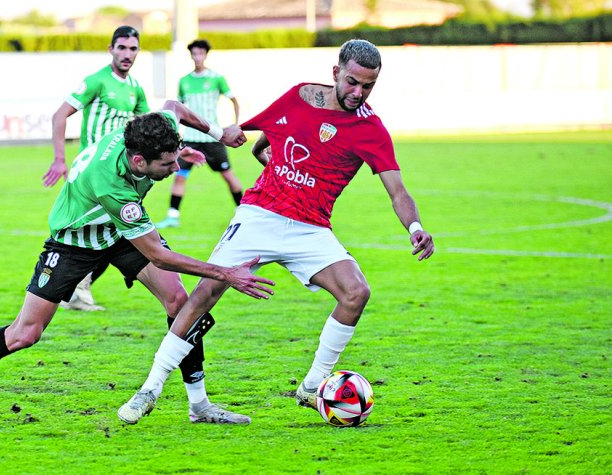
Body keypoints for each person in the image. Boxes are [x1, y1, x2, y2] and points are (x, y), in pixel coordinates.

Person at [117, 39, 435, 425]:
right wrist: (256, 151)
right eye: (352, 82)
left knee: (356, 292)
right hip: (259, 215)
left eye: (368, 86)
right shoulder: (300, 96)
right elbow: (262, 136)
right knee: (204, 294)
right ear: (336, 73)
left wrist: (415, 227)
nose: (358, 93)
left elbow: (397, 191)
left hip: (311, 228)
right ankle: (150, 389)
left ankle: (312, 385)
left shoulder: (371, 129)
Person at [0, 100, 275, 427]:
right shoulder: (113, 186)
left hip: (117, 234)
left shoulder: (148, 133)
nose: (175, 167)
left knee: (180, 303)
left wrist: (216, 133)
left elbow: (174, 107)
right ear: (139, 161)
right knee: (24, 334)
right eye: (168, 163)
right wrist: (226, 273)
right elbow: (158, 256)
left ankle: (199, 405)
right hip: (74, 243)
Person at [43, 25, 150, 311]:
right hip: (92, 175)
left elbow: (148, 129)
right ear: (111, 49)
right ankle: (69, 290)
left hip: (118, 175)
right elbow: (60, 115)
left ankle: (76, 290)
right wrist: (59, 158)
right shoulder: (96, 81)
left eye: (133, 49)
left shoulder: (135, 88)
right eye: (122, 48)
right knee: (111, 230)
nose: (127, 54)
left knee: (112, 231)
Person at [156, 39, 242, 229]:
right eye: (194, 54)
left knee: (228, 175)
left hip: (213, 138)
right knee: (179, 175)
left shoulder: (217, 78)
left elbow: (234, 100)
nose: (197, 57)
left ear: (206, 55)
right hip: (190, 139)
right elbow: (177, 109)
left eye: (200, 53)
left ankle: (243, 212)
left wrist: (235, 125)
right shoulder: (184, 81)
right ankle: (172, 216)